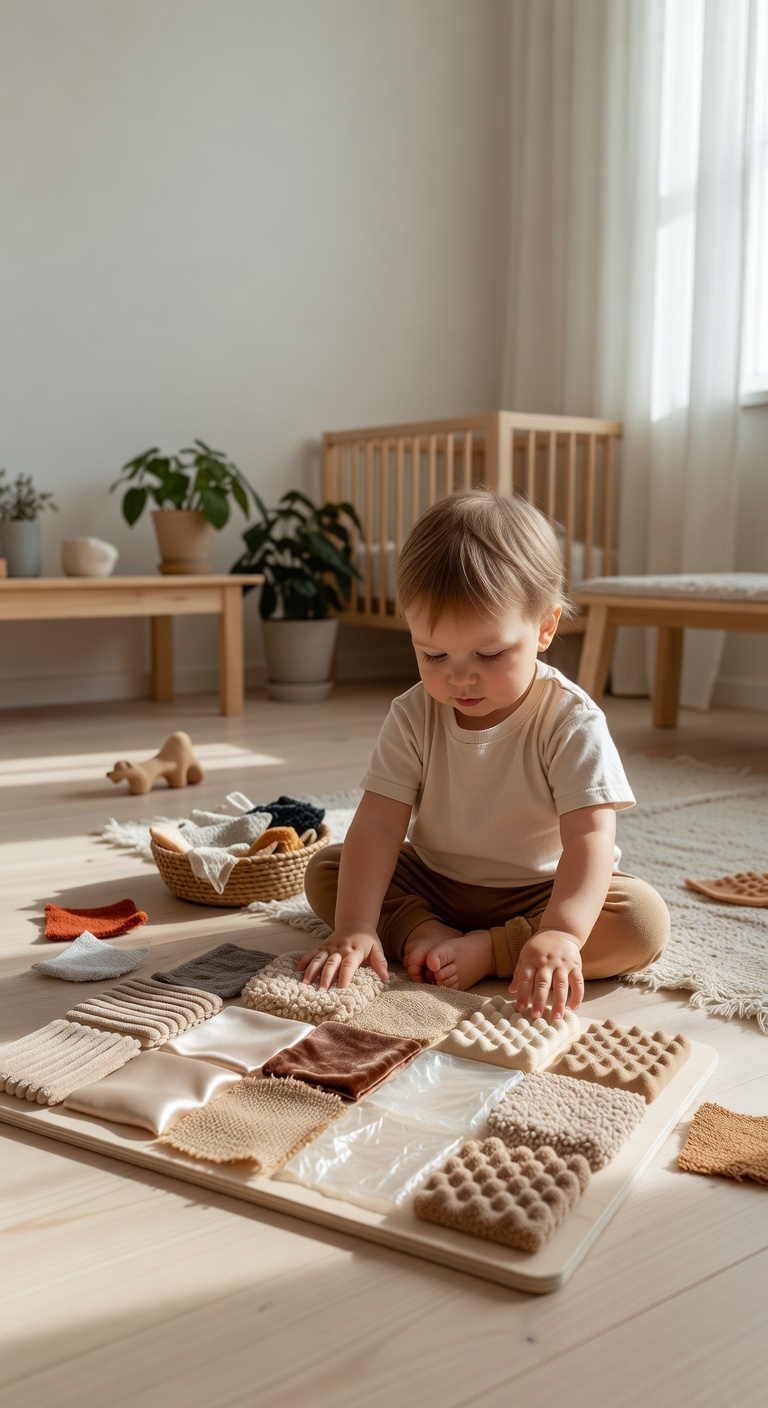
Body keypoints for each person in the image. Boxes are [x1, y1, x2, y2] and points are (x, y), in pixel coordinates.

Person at [299, 487, 669, 1020]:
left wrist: (562, 931)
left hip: (539, 893)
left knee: (639, 921)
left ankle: (496, 949)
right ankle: (427, 931)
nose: (459, 676)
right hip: (434, 879)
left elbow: (590, 835)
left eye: (490, 653)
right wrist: (355, 925)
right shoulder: (412, 714)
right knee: (330, 872)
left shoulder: (569, 719)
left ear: (544, 627)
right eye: (433, 654)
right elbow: (379, 825)